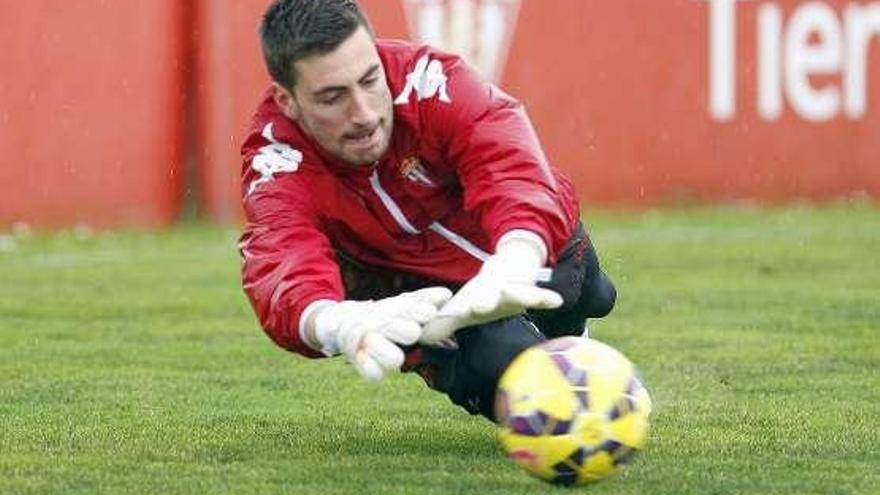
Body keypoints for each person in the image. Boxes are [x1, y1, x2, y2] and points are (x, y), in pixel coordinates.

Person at [239, 0, 617, 421]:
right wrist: (335, 322)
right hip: (422, 300)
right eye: (332, 97)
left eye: (370, 80)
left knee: (586, 291)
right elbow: (282, 257)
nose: (363, 114)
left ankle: (575, 339)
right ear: (287, 101)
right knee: (539, 393)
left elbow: (507, 161)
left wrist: (518, 252)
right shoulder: (277, 159)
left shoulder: (432, 80)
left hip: (513, 242)